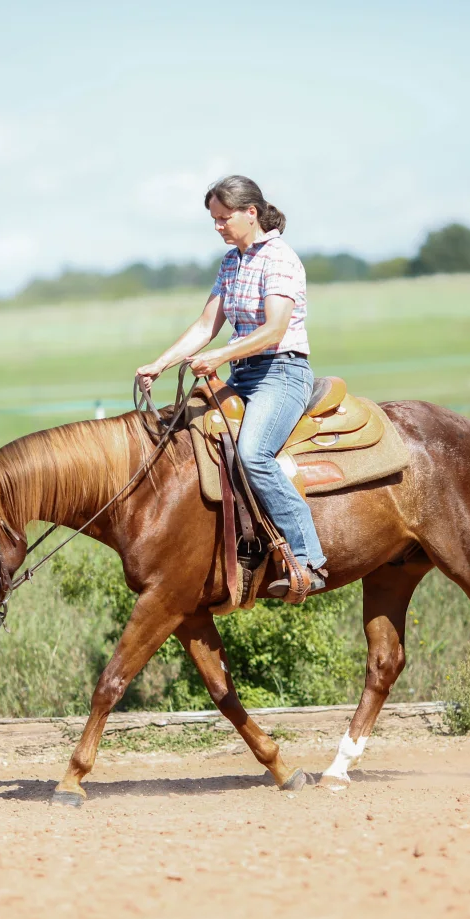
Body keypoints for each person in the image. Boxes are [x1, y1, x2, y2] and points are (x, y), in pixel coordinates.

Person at [136, 175, 326, 601]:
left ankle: (308, 559)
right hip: (242, 373)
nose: (218, 227)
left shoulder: (279, 259)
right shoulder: (231, 263)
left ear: (250, 212)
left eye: (224, 218)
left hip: (281, 373)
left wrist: (221, 357)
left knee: (252, 454)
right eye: (214, 220)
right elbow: (207, 324)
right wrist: (160, 364)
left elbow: (276, 328)